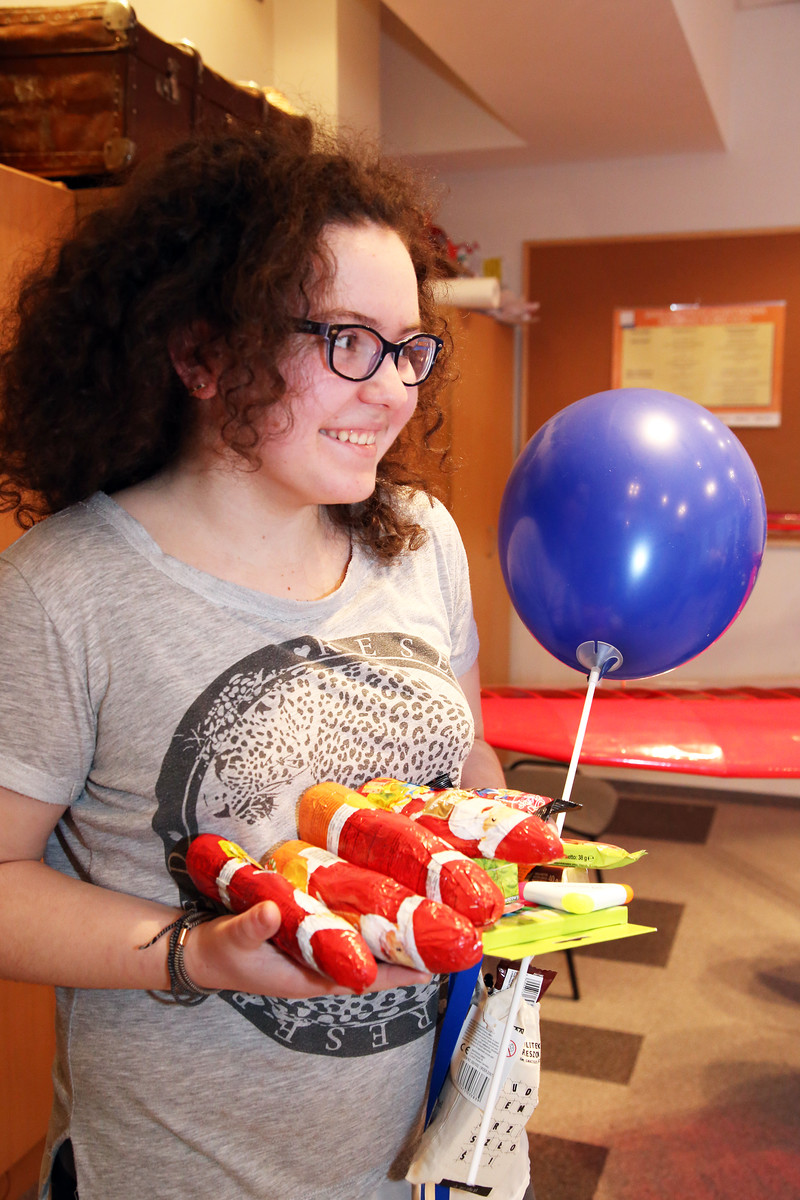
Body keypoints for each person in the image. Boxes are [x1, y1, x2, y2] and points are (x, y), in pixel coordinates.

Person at [0, 121, 506, 1200]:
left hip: (414, 1159)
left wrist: (497, 854)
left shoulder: (421, 541)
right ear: (202, 354)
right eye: (349, 341)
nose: (394, 390)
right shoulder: (65, 589)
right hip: (174, 1172)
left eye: (409, 348)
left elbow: (467, 767)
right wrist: (194, 950)